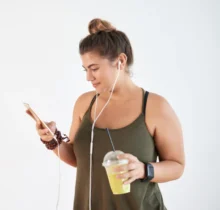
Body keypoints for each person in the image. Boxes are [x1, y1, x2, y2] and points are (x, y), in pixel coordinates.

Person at [26, 18, 185, 210]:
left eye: (94, 69)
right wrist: (52, 140)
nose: (88, 77)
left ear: (120, 61)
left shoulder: (155, 107)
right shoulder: (85, 103)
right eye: (85, 69)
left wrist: (143, 169)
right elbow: (78, 159)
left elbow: (177, 166)